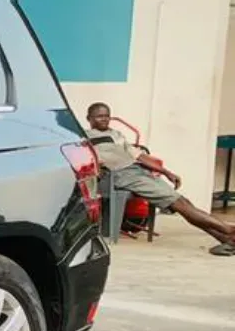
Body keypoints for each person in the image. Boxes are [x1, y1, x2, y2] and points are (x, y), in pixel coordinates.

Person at [86, 102, 235, 255]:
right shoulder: (86, 137)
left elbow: (140, 156)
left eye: (106, 116)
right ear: (89, 118)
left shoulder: (116, 134)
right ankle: (229, 230)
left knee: (183, 205)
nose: (104, 119)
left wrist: (166, 171)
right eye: (99, 116)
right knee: (180, 204)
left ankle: (227, 240)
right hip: (121, 174)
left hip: (138, 171)